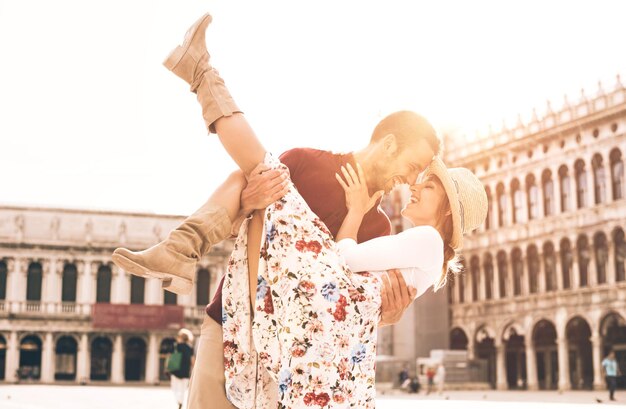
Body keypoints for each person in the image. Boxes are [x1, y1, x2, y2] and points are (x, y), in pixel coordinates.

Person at [113, 12, 487, 408]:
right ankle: (180, 246)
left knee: (258, 169)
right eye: (413, 168)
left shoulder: (380, 227)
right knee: (254, 176)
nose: (410, 181)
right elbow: (244, 229)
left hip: (291, 357)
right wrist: (248, 204)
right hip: (233, 321)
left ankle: (180, 241)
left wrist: (390, 312)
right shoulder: (306, 163)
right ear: (390, 145)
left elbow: (351, 303)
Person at [167, 328, 195, 409]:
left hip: (175, 371)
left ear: (180, 337)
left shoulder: (175, 346)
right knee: (183, 390)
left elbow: (170, 358)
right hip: (185, 372)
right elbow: (192, 360)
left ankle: (178, 401)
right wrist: (194, 370)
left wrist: (168, 367)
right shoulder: (190, 348)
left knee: (174, 388)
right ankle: (181, 402)